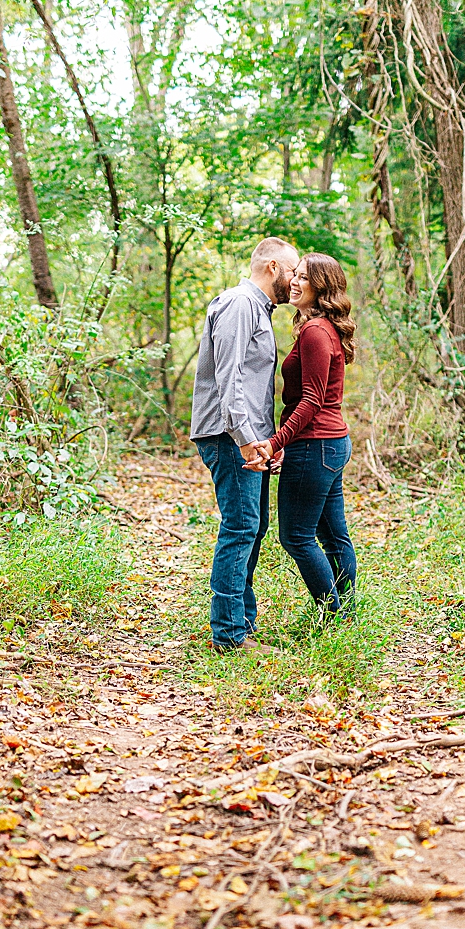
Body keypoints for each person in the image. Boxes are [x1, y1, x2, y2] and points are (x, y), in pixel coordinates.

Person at [189, 236, 297, 655]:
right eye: (291, 270)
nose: (295, 279)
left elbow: (252, 387)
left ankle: (241, 625)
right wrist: (248, 439)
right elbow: (229, 379)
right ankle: (230, 636)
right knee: (241, 527)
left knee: (254, 527)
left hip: (248, 438)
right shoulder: (239, 304)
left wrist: (268, 439)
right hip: (229, 436)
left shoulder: (258, 310)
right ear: (272, 266)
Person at [244, 253, 357, 618]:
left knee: (296, 536)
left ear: (321, 287)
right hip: (331, 444)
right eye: (296, 274)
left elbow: (311, 400)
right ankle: (346, 614)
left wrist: (276, 442)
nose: (295, 281)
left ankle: (335, 615)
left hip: (315, 446)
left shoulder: (314, 331)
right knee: (333, 535)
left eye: (304, 277)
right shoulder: (324, 328)